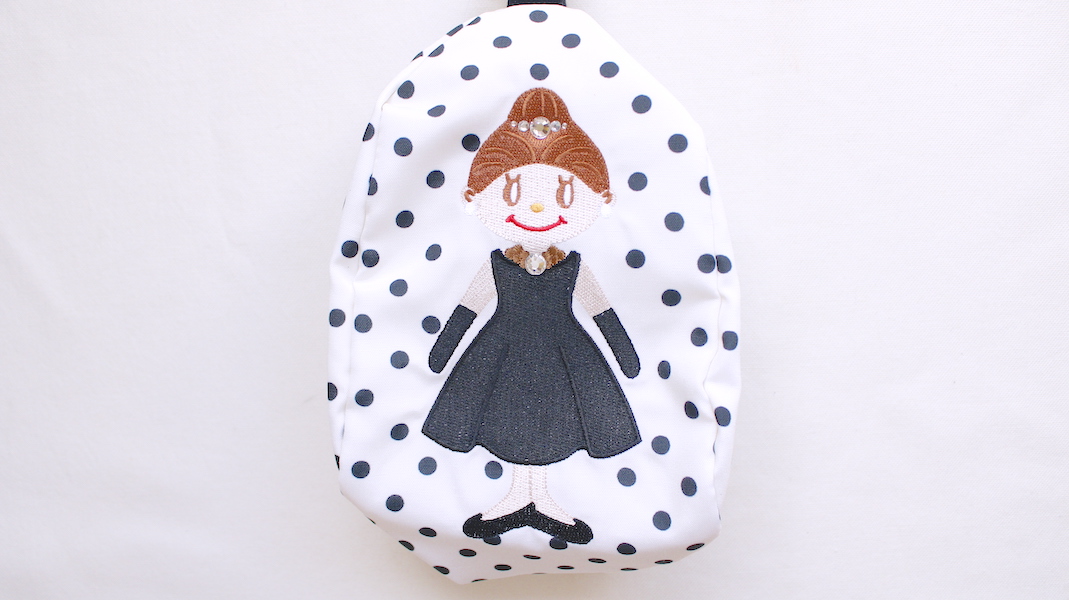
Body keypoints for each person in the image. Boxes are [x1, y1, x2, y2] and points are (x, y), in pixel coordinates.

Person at [422, 88, 641, 544]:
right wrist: (441, 352)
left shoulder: (573, 267)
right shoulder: (497, 265)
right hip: (506, 352)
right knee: (513, 420)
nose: (538, 208)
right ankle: (520, 500)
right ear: (474, 196)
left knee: (550, 422)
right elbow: (467, 308)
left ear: (600, 198)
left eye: (564, 195)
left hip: (559, 354)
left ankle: (537, 500)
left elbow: (602, 311)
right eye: (513, 194)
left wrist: (626, 356)